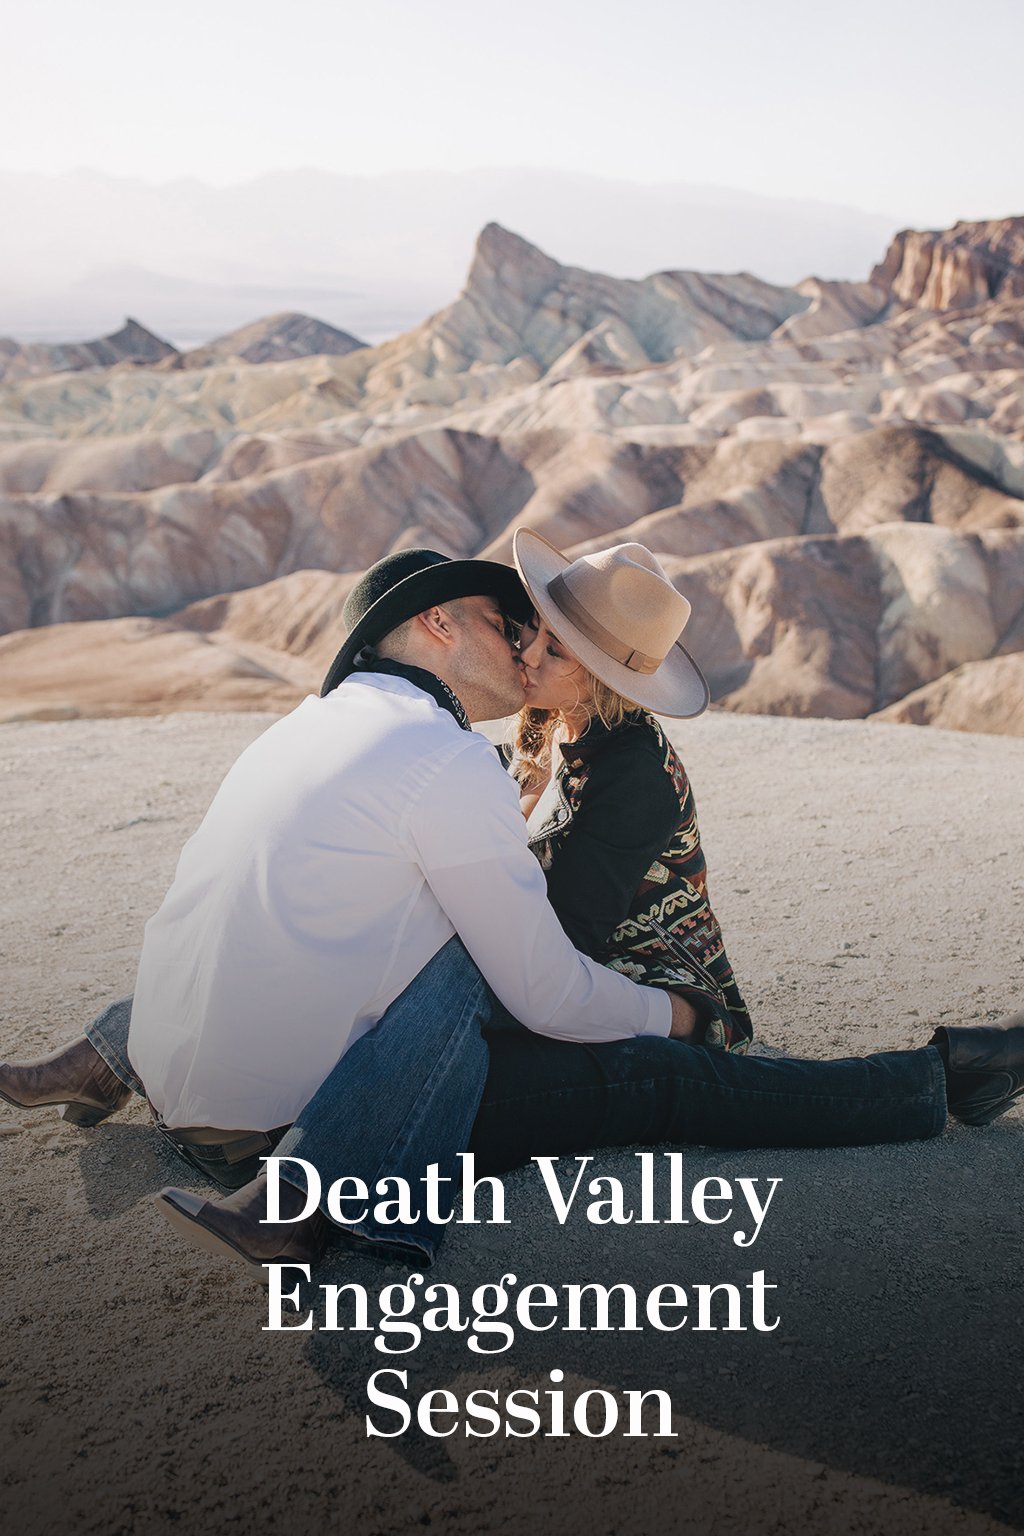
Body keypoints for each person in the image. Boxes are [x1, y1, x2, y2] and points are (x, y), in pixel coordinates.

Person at [2, 537, 1022, 1279]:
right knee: (615, 1059)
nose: (524, 644)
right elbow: (534, 981)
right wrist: (649, 1014)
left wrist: (660, 1010)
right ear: (438, 626)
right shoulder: (461, 753)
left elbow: (540, 953)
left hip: (219, 1082)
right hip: (319, 1101)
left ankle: (114, 1058)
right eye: (512, 626)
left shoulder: (313, 729)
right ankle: (301, 1194)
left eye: (545, 639)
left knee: (497, 981)